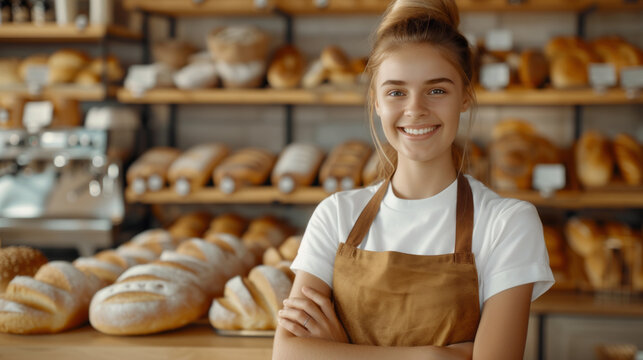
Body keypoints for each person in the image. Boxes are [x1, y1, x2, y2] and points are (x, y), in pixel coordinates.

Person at [272, 0, 554, 358]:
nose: (415, 109)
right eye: (396, 92)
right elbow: (288, 353)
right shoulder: (336, 215)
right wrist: (433, 355)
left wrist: (340, 349)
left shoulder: (507, 222)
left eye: (437, 90)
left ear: (465, 97)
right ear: (376, 101)